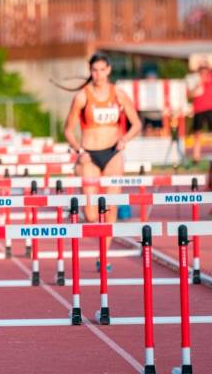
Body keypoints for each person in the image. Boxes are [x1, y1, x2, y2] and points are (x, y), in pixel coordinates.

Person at [61, 54, 142, 272]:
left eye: (101, 70)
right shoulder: (82, 96)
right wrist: (78, 149)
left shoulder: (119, 94)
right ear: (90, 71)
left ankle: (103, 256)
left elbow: (136, 124)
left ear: (108, 70)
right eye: (94, 70)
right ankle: (97, 231)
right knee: (90, 213)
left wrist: (125, 139)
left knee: (111, 205)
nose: (98, 74)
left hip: (113, 152)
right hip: (89, 154)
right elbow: (68, 129)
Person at [188, 62, 212, 164]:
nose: (204, 72)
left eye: (205, 70)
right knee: (197, 134)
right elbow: (190, 94)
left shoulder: (209, 78)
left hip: (210, 108)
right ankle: (196, 157)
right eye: (201, 71)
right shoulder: (195, 80)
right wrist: (196, 86)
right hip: (198, 109)